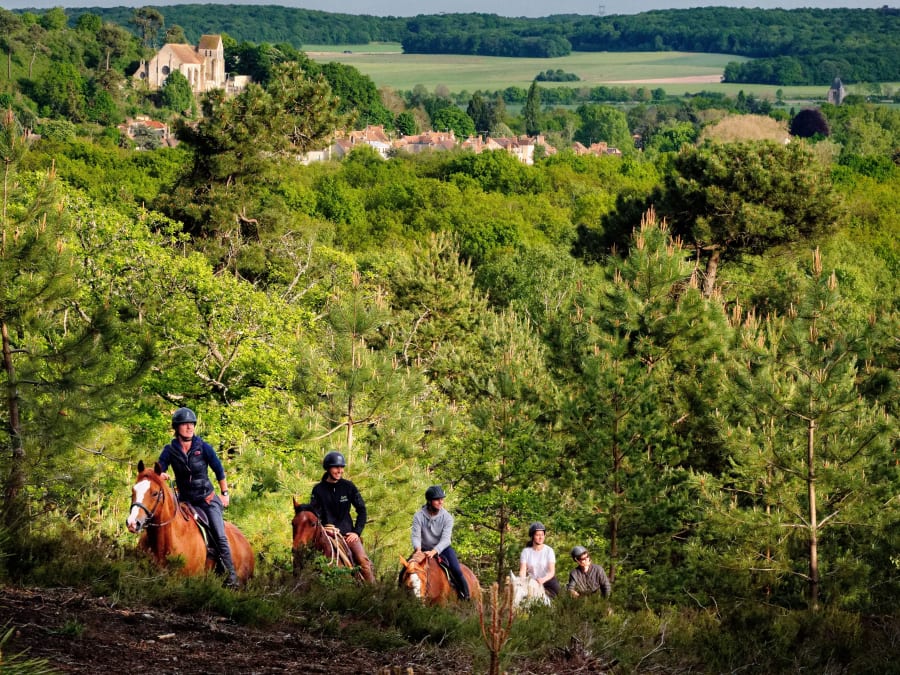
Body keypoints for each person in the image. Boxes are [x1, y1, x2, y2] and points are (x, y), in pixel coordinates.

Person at [157, 407, 239, 588]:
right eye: (185, 424)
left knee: (219, 534)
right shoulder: (170, 450)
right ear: (177, 428)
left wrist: (225, 494)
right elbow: (159, 468)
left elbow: (219, 470)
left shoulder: (203, 447)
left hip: (207, 500)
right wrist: (161, 474)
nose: (189, 427)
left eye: (191, 424)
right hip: (185, 502)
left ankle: (231, 575)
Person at [309, 451, 375, 583]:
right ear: (328, 468)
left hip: (347, 536)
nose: (340, 470)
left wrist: (356, 532)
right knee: (308, 563)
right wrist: (324, 529)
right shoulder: (318, 490)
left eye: (341, 467)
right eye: (336, 467)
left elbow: (362, 510)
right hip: (326, 534)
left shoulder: (348, 487)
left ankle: (373, 594)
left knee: (364, 562)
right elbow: (315, 515)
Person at [411, 485, 470, 600]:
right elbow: (416, 536)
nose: (440, 502)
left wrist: (434, 551)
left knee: (456, 569)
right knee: (407, 568)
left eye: (442, 499)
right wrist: (418, 550)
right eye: (437, 500)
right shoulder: (418, 516)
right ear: (429, 501)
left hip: (442, 549)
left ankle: (465, 594)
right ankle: (400, 591)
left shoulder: (447, 517)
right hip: (422, 549)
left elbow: (446, 539)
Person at [518, 521, 561, 599]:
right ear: (532, 536)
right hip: (532, 582)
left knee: (559, 596)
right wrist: (522, 580)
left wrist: (543, 579)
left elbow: (552, 572)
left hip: (548, 581)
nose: (540, 537)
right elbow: (522, 570)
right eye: (537, 535)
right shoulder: (526, 552)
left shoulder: (549, 550)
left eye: (542, 535)